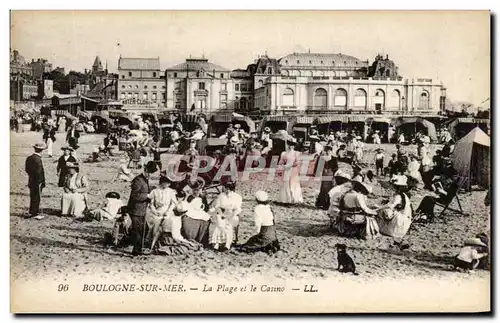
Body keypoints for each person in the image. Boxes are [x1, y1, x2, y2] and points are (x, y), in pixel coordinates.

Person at [127, 161, 158, 256]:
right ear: (145, 170)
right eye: (149, 172)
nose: (149, 175)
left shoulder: (145, 179)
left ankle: (131, 244)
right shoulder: (137, 180)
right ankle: (136, 251)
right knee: (138, 231)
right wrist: (148, 196)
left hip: (141, 209)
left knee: (144, 229)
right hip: (135, 209)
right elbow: (135, 196)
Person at [377, 175, 412, 242]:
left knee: (383, 211)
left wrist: (379, 207)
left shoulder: (398, 196)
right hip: (404, 216)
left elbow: (391, 206)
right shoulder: (401, 195)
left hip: (402, 219)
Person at [210, 180, 243, 246]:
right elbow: (217, 206)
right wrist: (222, 214)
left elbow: (237, 209)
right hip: (222, 213)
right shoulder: (221, 195)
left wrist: (230, 216)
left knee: (229, 224)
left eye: (226, 188)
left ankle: (227, 243)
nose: (224, 190)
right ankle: (218, 242)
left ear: (229, 189)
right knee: (219, 222)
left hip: (232, 214)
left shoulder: (237, 197)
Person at [277, 139, 303, 205]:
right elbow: (280, 162)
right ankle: (285, 199)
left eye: (293, 144)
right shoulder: (284, 153)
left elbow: (298, 162)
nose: (291, 146)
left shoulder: (296, 153)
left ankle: (294, 199)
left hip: (293, 170)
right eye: (290, 144)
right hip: (286, 170)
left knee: (293, 184)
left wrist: (290, 165)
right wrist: (282, 167)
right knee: (286, 184)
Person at [25, 143, 47, 219]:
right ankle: (35, 213)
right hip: (38, 181)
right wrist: (40, 181)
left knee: (32, 196)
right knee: (37, 197)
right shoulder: (38, 159)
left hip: (31, 180)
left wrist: (32, 177)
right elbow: (39, 172)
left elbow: (27, 169)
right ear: (41, 151)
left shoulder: (29, 158)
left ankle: (31, 211)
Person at [315, 144, 338, 210]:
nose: (328, 152)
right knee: (324, 189)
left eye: (329, 151)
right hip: (324, 175)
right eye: (327, 150)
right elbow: (318, 168)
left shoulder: (334, 158)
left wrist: (334, 174)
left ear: (331, 151)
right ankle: (323, 203)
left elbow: (336, 168)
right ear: (325, 151)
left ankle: (327, 204)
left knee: (330, 189)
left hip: (331, 175)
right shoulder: (322, 158)